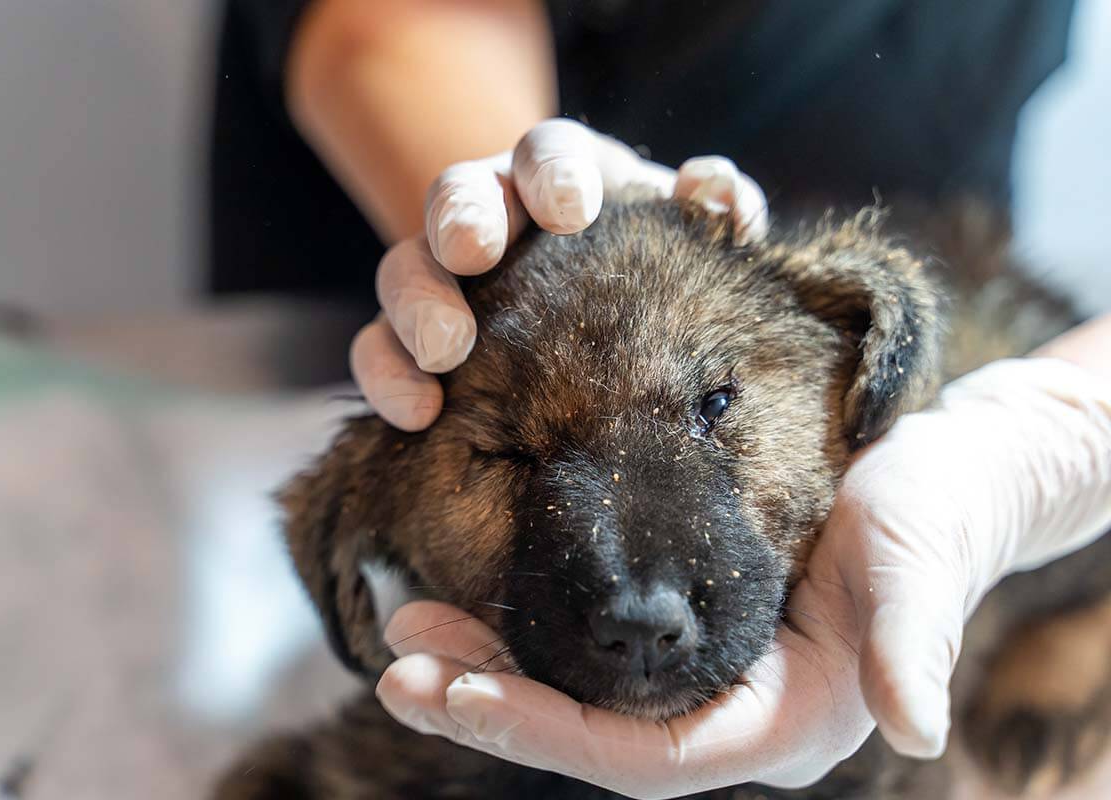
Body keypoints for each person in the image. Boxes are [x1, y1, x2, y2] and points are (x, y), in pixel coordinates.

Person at [210, 1, 1111, 795]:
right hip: (413, 225)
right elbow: (392, 21)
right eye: (507, 454)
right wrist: (512, 247)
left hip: (906, 241)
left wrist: (1042, 443)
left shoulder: (877, 353)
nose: (642, 611)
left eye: (716, 410)